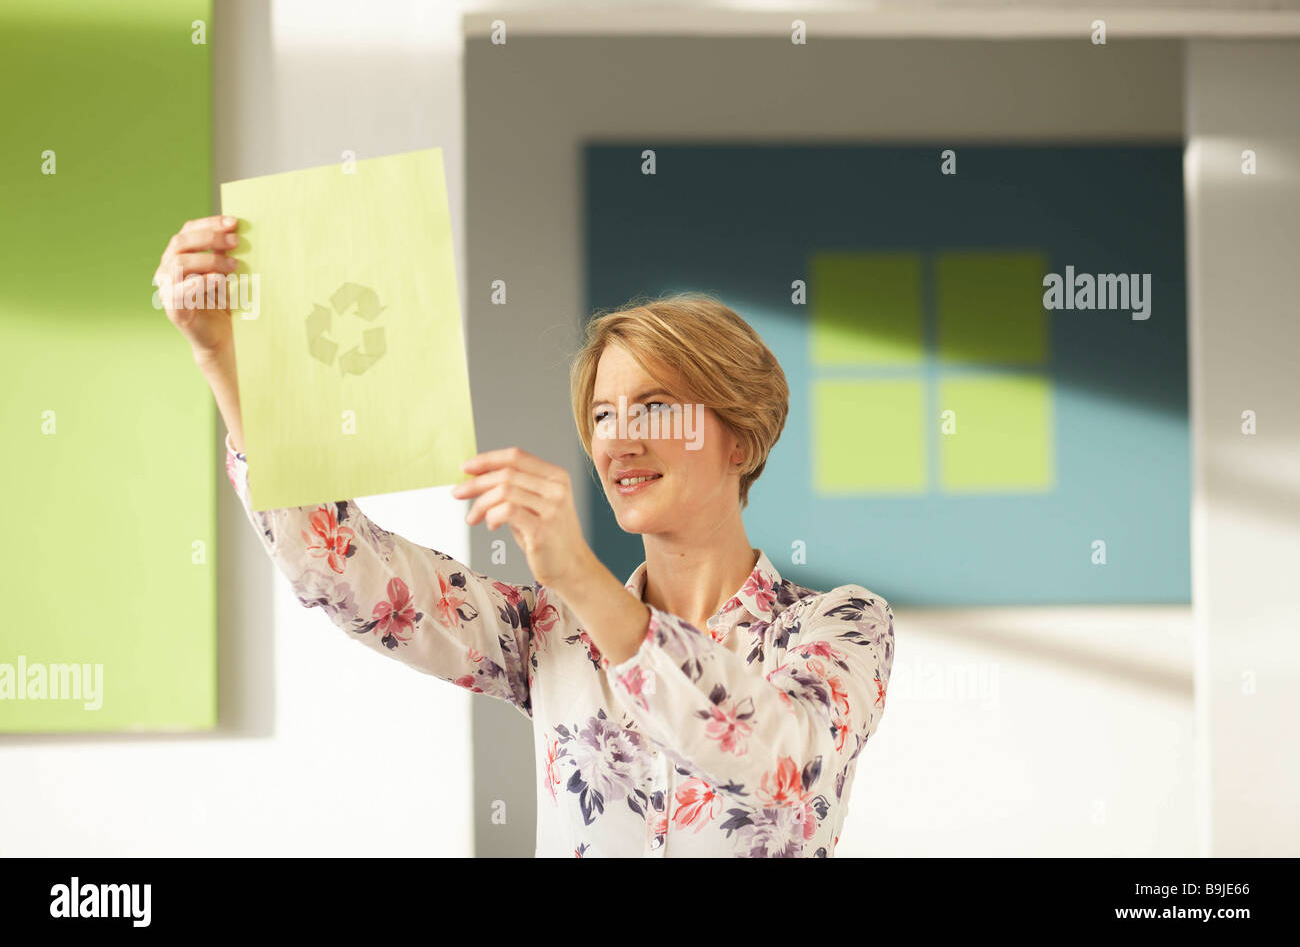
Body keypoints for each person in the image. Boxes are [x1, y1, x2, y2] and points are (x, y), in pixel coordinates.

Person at [154, 214, 895, 857]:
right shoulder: (546, 633)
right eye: (603, 415)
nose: (620, 440)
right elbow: (335, 565)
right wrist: (223, 361)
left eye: (657, 405)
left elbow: (781, 764)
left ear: (741, 441)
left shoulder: (840, 626)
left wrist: (578, 574)